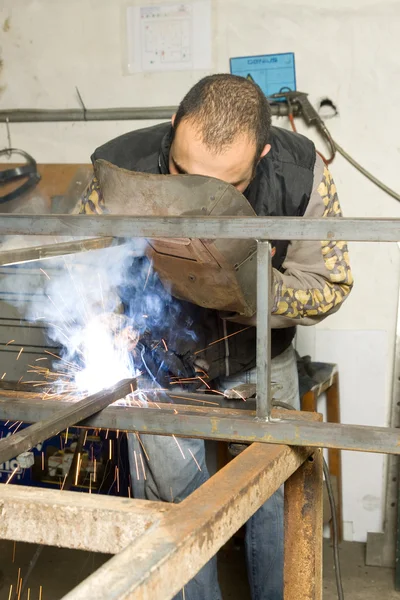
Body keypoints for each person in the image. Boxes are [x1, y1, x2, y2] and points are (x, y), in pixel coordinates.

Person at [79, 74, 353, 600]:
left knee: (274, 502)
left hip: (258, 359)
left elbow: (330, 286)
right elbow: (83, 262)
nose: (194, 196)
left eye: (225, 187)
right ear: (175, 127)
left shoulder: (301, 174)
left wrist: (248, 290)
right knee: (174, 514)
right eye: (181, 171)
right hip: (160, 363)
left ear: (263, 153)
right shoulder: (119, 165)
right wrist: (104, 313)